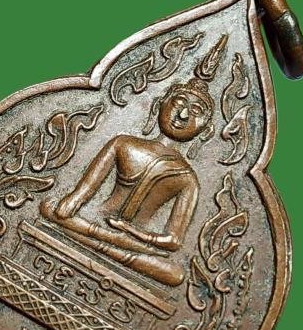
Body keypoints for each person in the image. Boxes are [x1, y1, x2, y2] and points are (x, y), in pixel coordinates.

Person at [40, 78, 215, 286]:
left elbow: (174, 241)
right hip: (96, 224)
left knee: (175, 274)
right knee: (49, 207)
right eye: (178, 103)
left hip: (131, 241)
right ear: (158, 105)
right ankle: (106, 247)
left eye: (196, 111)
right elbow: (79, 196)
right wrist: (72, 203)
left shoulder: (188, 179)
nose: (183, 115)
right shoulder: (123, 144)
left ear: (206, 130)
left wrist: (130, 231)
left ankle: (101, 244)